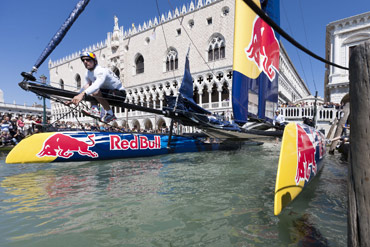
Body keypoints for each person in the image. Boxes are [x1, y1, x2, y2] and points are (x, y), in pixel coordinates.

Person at [69, 52, 126, 123]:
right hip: (107, 94)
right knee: (89, 90)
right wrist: (74, 98)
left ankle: (110, 114)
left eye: (88, 60)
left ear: (95, 61)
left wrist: (82, 94)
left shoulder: (101, 70)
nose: (85, 62)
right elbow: (85, 87)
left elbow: (96, 85)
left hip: (120, 94)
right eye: (83, 60)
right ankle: (94, 109)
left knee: (94, 90)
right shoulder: (88, 73)